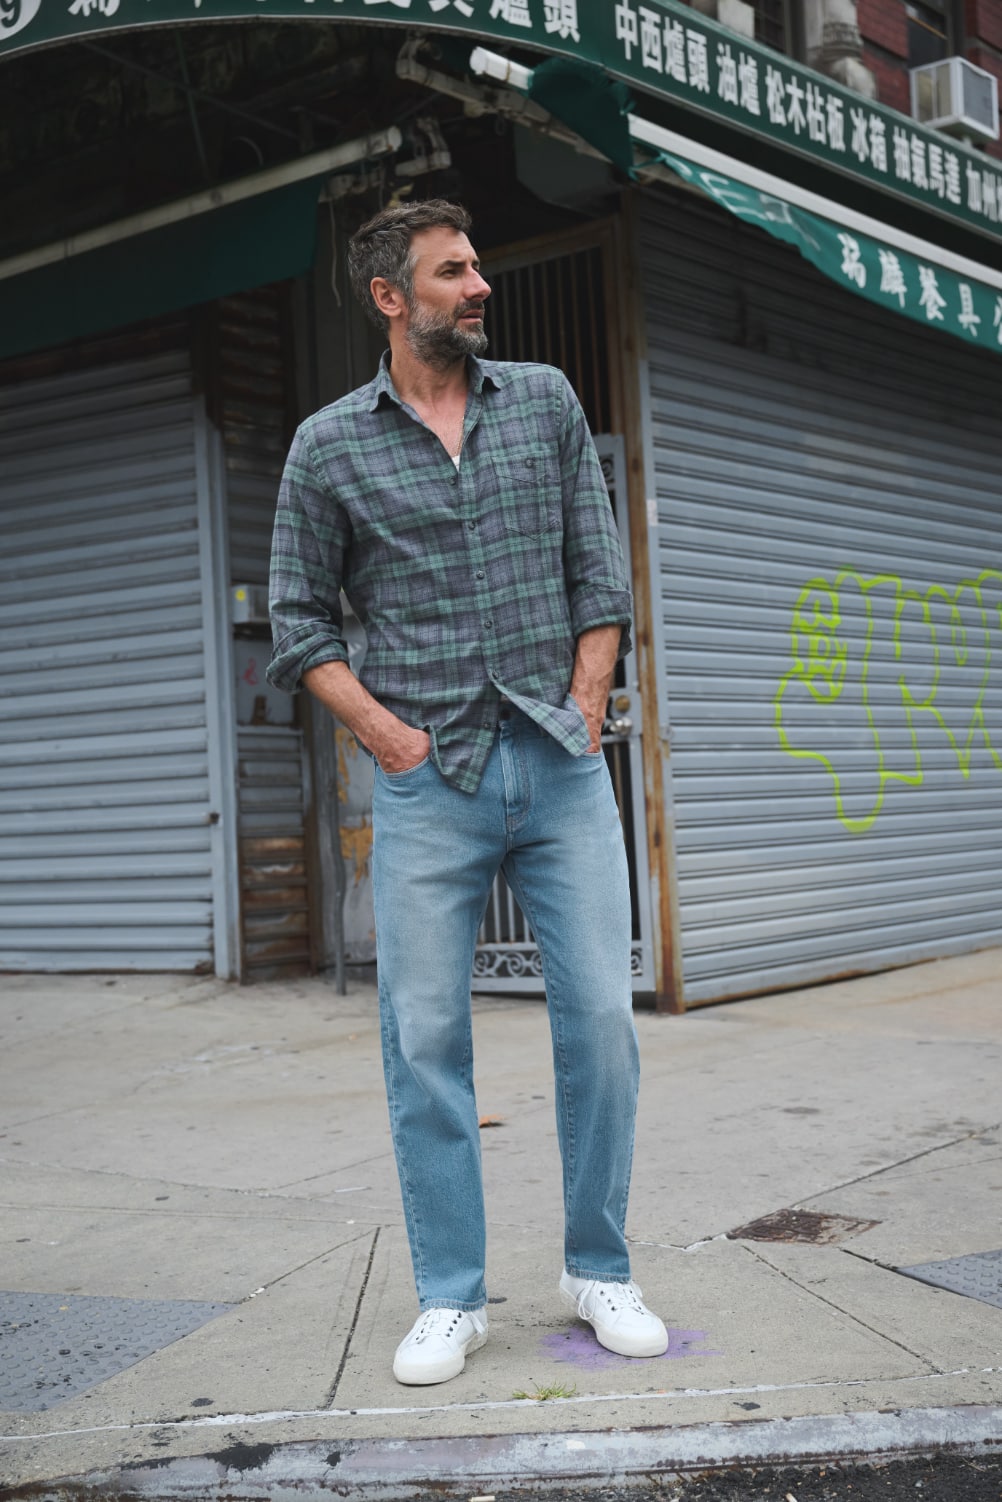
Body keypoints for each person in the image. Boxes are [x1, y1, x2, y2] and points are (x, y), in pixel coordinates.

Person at [267, 198, 667, 1386]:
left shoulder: (542, 401)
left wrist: (588, 704)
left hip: (556, 760)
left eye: (479, 263)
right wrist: (387, 735)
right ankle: (451, 1295)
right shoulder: (327, 445)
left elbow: (599, 573)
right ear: (392, 298)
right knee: (424, 1037)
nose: (480, 284)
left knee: (599, 1017)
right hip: (426, 777)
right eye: (453, 271)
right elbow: (297, 621)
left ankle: (599, 1265)